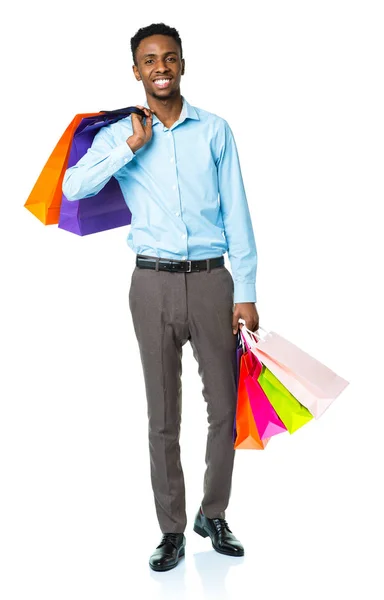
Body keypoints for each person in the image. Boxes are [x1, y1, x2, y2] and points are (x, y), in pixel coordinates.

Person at [62, 22, 259, 572]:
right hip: (150, 283)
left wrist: (245, 290)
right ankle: (171, 529)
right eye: (149, 60)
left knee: (225, 407)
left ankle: (212, 514)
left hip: (213, 281)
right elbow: (75, 188)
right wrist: (130, 145)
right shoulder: (120, 133)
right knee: (162, 413)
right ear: (136, 71)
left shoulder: (215, 131)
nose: (161, 67)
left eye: (169, 57)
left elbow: (238, 213)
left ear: (182, 64)